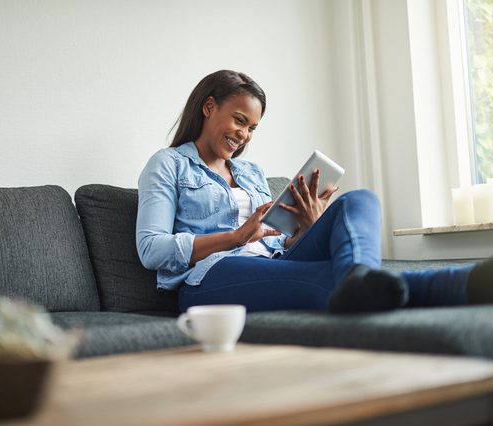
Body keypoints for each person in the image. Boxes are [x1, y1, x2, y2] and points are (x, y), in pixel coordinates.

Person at [136, 69, 492, 314]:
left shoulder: (251, 172)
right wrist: (235, 237)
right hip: (210, 277)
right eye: (240, 121)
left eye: (253, 128)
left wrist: (307, 227)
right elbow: (151, 250)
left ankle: (363, 281)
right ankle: (457, 283)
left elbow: (277, 243)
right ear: (209, 106)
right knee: (321, 278)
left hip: (274, 262)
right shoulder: (168, 164)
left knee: (360, 200)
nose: (244, 135)